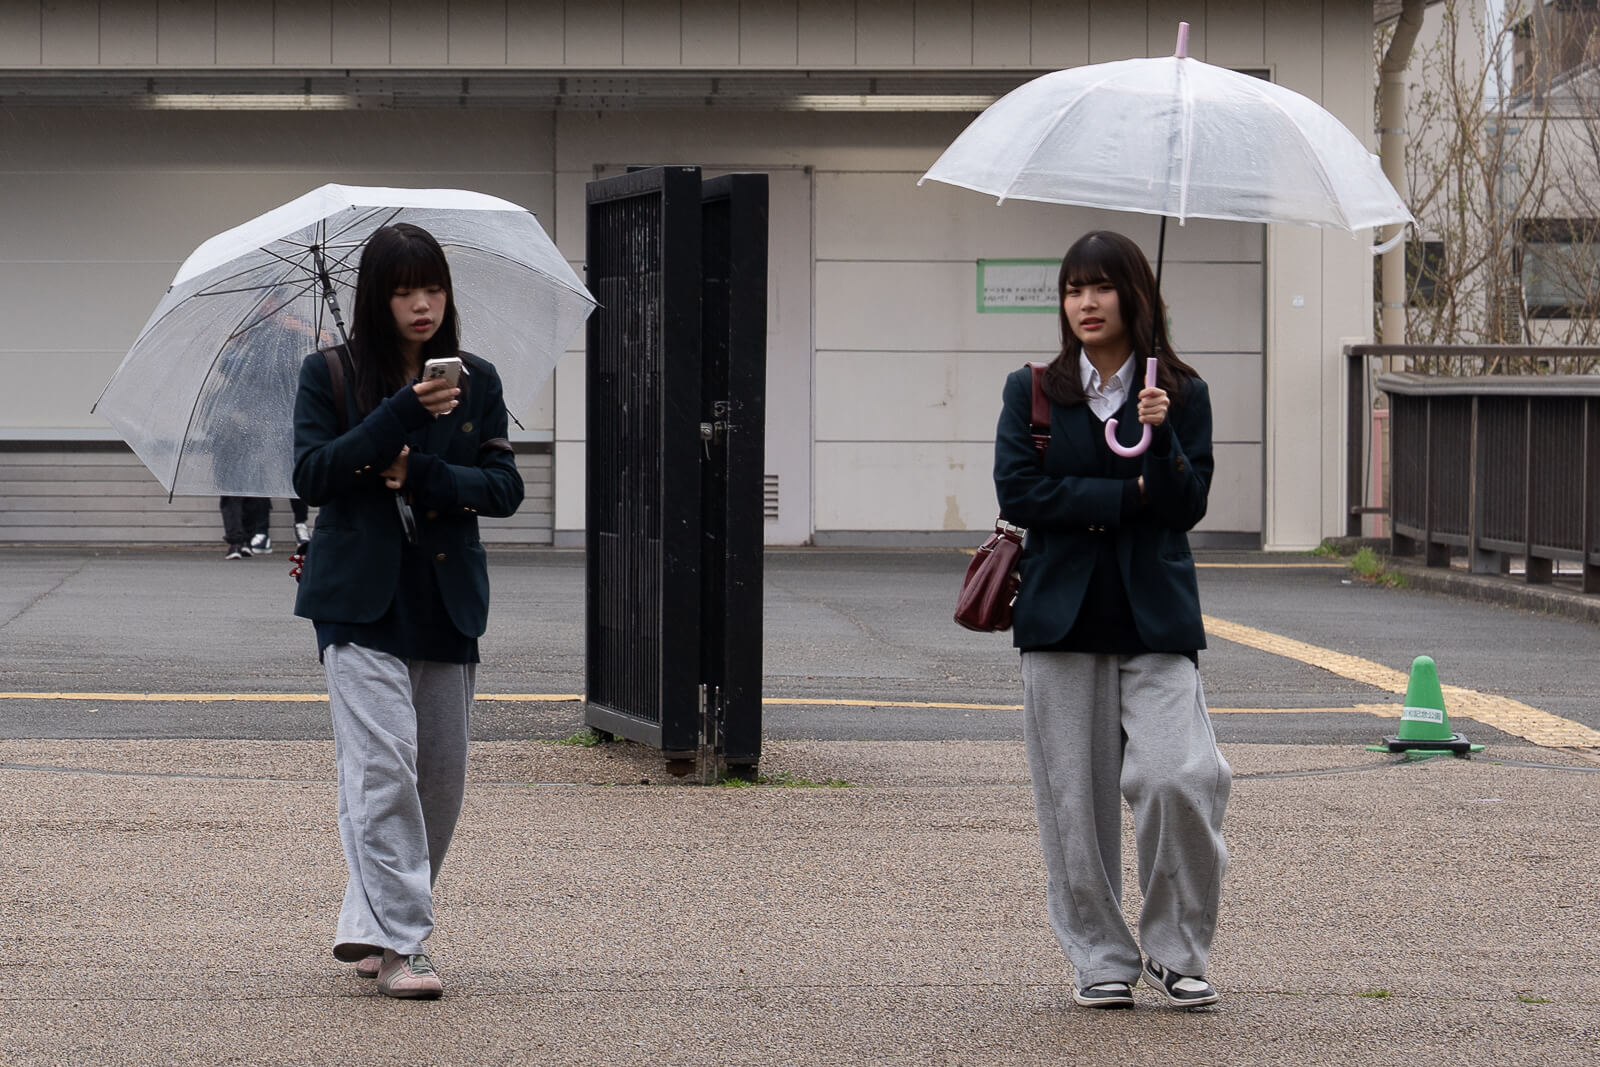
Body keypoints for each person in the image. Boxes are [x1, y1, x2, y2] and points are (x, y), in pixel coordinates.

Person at [993, 230, 1230, 1011]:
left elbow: (1186, 507)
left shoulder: (1181, 393)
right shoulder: (1030, 389)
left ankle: (1178, 947)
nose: (1085, 303)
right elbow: (1022, 493)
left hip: (1155, 619)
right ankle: (1099, 954)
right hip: (1061, 618)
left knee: (1179, 777)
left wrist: (1160, 446)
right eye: (1072, 289)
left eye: (1100, 287)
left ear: (1135, 294)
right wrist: (1123, 499)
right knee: (1075, 804)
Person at [291, 222, 524, 1000]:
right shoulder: (328, 373)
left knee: (439, 782)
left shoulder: (477, 379)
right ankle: (406, 946)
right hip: (356, 601)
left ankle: (373, 920)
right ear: (376, 297)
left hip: (446, 598)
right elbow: (315, 473)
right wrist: (396, 416)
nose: (422, 305)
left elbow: (504, 489)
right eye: (403, 291)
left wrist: (419, 469)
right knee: (382, 770)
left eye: (433, 288)